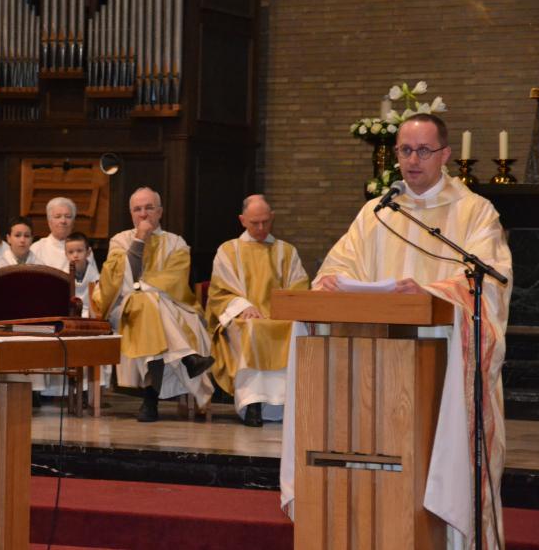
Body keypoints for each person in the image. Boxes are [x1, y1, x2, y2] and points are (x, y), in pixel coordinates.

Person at [280, 114, 512, 550]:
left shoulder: (474, 212)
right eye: (405, 150)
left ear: (445, 155)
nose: (412, 160)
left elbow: (491, 283)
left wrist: (427, 292)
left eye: (423, 151)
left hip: (442, 376)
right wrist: (328, 283)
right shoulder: (376, 213)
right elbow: (338, 266)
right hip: (374, 381)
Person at [94, 187, 214, 422]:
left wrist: (143, 290)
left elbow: (175, 282)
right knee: (147, 302)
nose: (143, 214)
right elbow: (117, 281)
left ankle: (151, 399)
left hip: (171, 307)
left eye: (149, 208)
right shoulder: (120, 240)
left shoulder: (176, 242)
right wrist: (138, 240)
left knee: (150, 305)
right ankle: (187, 357)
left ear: (160, 212)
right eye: (137, 209)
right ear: (131, 214)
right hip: (127, 309)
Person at [206, 195, 309, 427]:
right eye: (255, 223)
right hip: (242, 319)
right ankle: (253, 404)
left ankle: (285, 404)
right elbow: (219, 292)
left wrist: (282, 310)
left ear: (272, 218)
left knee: (291, 329)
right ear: (242, 220)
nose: (261, 228)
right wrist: (244, 307)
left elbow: (299, 287)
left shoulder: (287, 251)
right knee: (254, 329)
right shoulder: (228, 250)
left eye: (265, 222)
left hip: (279, 318)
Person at [30, 196, 98, 278]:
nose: (63, 221)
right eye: (58, 216)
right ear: (49, 221)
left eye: (68, 216)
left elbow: (93, 282)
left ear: (73, 222)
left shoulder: (83, 248)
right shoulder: (37, 248)